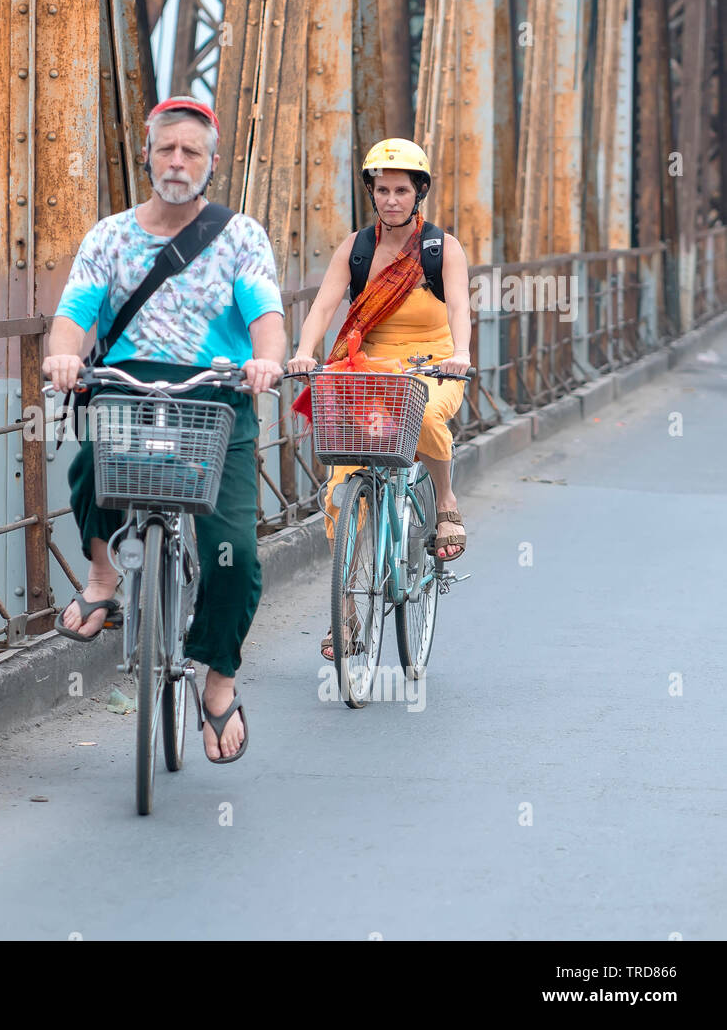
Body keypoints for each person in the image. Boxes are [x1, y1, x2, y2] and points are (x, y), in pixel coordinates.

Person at [42, 96, 286, 764]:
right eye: (167, 149)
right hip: (127, 387)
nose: (178, 162)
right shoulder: (110, 237)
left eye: (192, 152)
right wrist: (65, 352)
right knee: (90, 463)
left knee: (233, 550)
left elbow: (265, 312)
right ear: (147, 153)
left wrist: (266, 359)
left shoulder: (241, 236)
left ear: (212, 164)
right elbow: (74, 312)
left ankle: (219, 680)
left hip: (215, 397)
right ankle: (102, 579)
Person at [286, 138, 472, 661]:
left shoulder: (440, 250)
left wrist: (460, 353)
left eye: (401, 190)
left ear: (419, 194)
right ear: (372, 193)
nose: (391, 199)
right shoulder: (357, 249)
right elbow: (324, 306)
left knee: (430, 416)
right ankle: (344, 612)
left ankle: (446, 502)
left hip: (431, 365)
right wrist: (304, 351)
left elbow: (459, 308)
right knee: (337, 490)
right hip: (368, 368)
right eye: (383, 189)